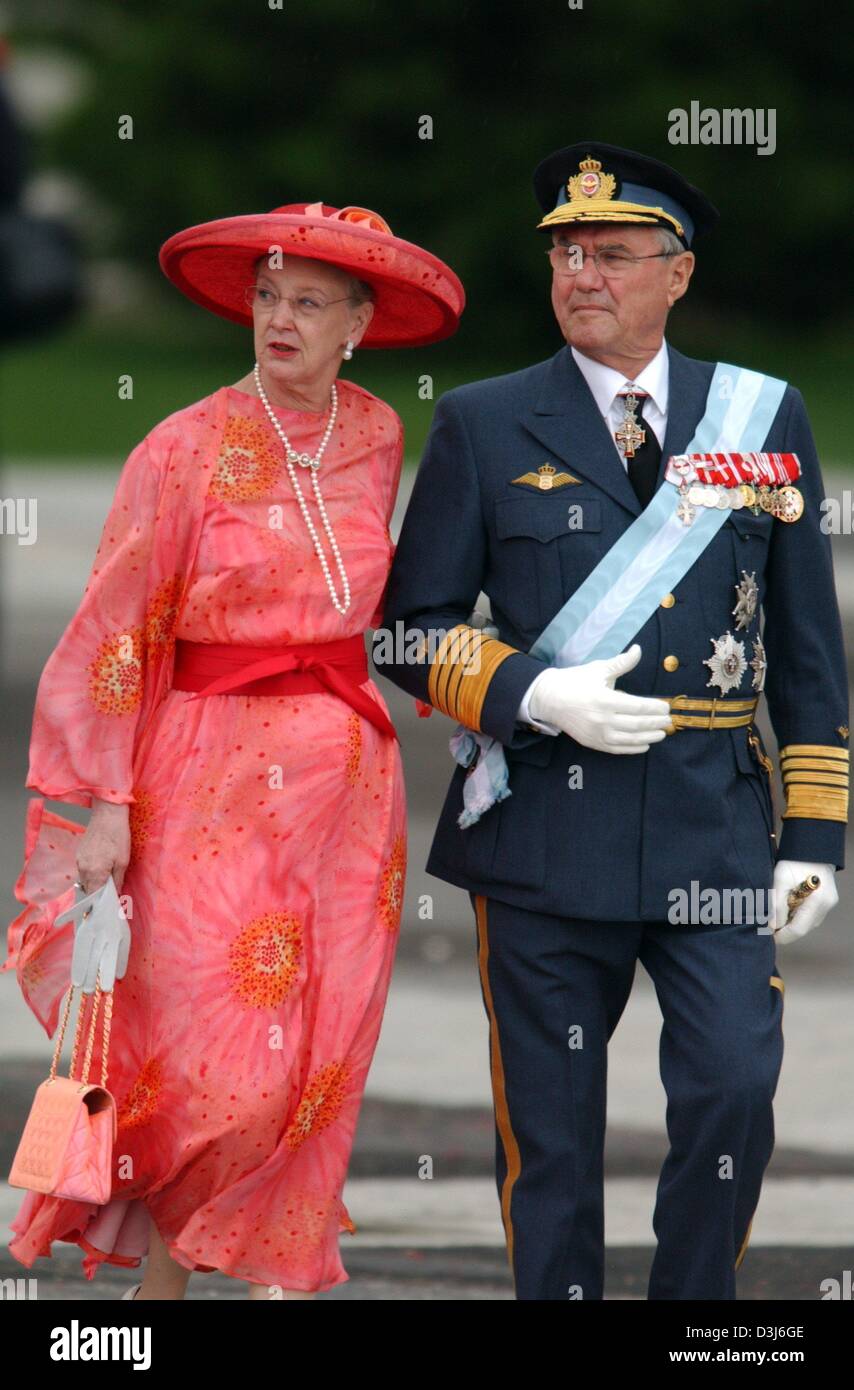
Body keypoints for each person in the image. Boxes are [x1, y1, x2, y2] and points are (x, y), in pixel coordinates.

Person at [372, 143, 848, 1300]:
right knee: (551, 1137)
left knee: (733, 1087)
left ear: (675, 274)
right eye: (565, 253)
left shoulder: (761, 414)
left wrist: (811, 840)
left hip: (712, 827)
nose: (582, 273)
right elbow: (406, 628)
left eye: (614, 254)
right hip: (540, 833)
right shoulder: (486, 424)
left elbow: (804, 647)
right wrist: (532, 691)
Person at [2, 200, 463, 1299]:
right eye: (267, 297)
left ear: (358, 321)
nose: (280, 319)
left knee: (313, 1058)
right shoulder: (182, 444)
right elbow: (117, 631)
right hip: (205, 780)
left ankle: (260, 1281)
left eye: (308, 302)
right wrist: (104, 800)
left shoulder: (378, 433)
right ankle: (162, 1293)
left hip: (347, 789)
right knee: (212, 1073)